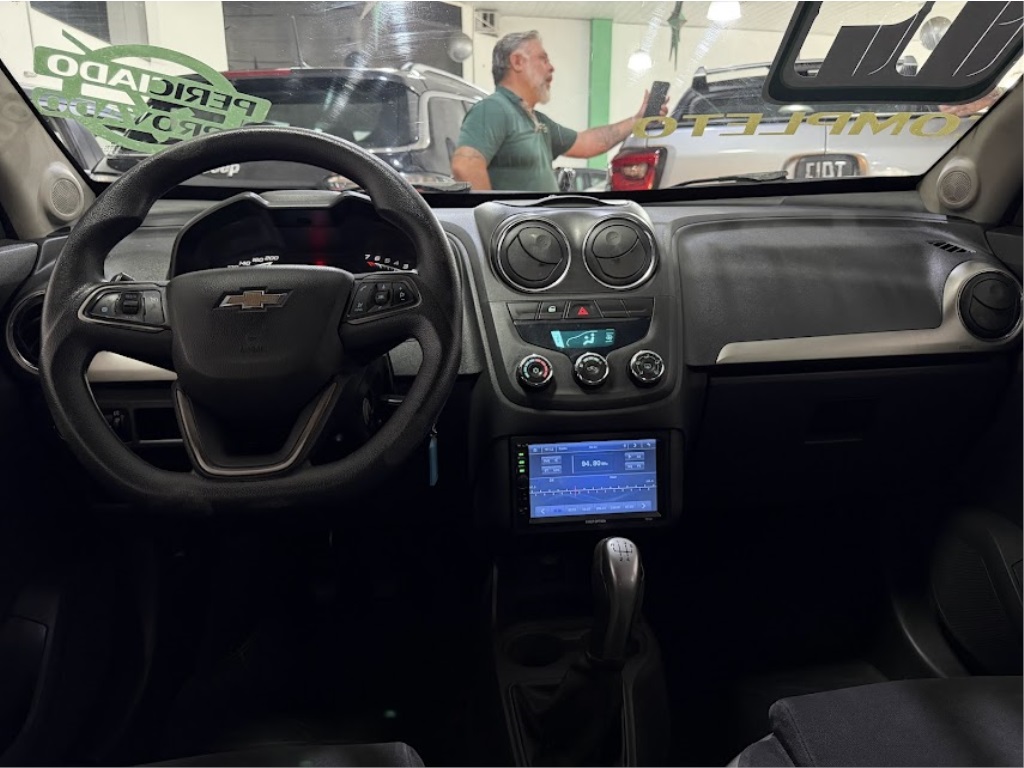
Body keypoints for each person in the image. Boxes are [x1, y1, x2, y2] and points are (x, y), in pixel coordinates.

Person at [451, 30, 666, 191]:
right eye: (543, 59)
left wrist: (637, 121)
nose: (551, 67)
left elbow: (587, 143)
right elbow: (466, 165)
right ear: (517, 62)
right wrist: (493, 223)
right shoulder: (493, 109)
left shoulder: (537, 121)